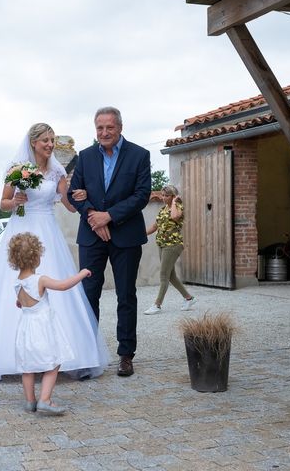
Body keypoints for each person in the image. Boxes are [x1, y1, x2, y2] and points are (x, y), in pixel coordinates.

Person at [0, 123, 109, 382]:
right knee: (15, 285)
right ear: (33, 142)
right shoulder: (18, 170)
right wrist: (16, 201)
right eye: (45, 140)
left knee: (54, 286)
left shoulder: (57, 172)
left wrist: (78, 195)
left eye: (52, 140)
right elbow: (3, 203)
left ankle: (68, 356)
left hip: (48, 232)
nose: (50, 145)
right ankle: (8, 357)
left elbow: (69, 205)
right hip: (22, 230)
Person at [68, 106, 151, 377]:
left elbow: (141, 195)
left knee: (126, 295)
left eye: (109, 128)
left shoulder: (139, 155)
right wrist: (94, 216)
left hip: (126, 235)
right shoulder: (85, 156)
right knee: (88, 294)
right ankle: (87, 354)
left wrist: (110, 217)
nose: (104, 133)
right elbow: (74, 194)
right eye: (99, 128)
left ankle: (126, 355)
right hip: (91, 236)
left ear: (120, 128)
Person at [9, 232, 92, 415]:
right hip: (42, 329)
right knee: (53, 363)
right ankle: (45, 400)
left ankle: (30, 401)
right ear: (36, 257)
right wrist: (81, 274)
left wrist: (21, 302)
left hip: (26, 330)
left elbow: (21, 302)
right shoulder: (40, 279)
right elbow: (63, 285)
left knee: (27, 367)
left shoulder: (18, 282)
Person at [144, 185, 196, 315]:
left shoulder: (178, 208)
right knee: (171, 275)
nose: (163, 197)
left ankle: (157, 305)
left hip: (173, 245)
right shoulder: (162, 210)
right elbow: (155, 226)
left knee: (163, 275)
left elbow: (174, 217)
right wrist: (141, 234)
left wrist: (174, 202)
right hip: (162, 244)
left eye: (166, 195)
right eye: (162, 195)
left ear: (173, 196)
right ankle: (189, 298)